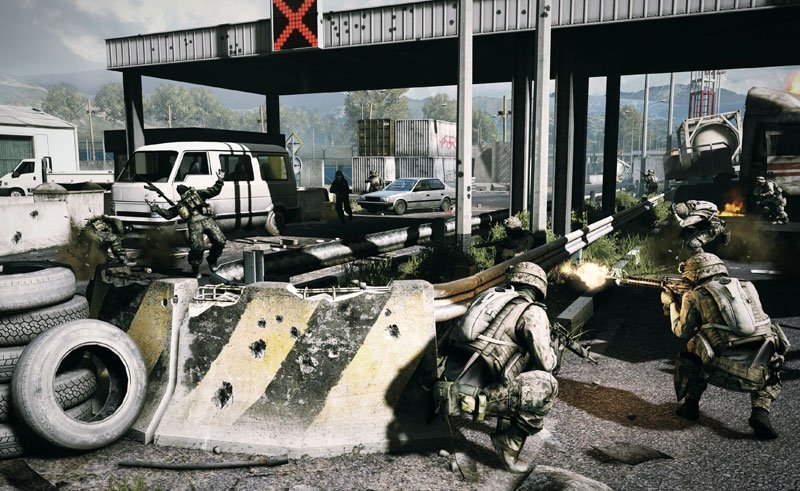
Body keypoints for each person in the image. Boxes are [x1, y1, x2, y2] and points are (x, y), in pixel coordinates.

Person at [435, 262, 559, 472]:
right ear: (539, 288)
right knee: (547, 386)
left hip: (442, 390)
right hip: (471, 399)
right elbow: (547, 364)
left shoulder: (486, 300)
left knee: (516, 367)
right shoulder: (533, 312)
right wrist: (554, 349)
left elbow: (443, 346)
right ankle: (508, 443)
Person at [660, 252, 789, 439]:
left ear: (694, 274)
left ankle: (690, 405)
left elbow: (681, 331)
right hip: (761, 373)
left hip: (721, 371)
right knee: (771, 356)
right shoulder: (747, 286)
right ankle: (760, 412)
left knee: (695, 344)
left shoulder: (694, 295)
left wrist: (672, 302)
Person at [149, 170, 227, 278]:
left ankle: (212, 260)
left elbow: (214, 191)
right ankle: (195, 267)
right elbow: (169, 214)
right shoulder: (181, 205)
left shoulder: (199, 194)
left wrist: (220, 180)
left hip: (207, 219)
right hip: (194, 224)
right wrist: (156, 208)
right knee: (197, 247)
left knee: (220, 241)